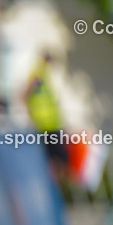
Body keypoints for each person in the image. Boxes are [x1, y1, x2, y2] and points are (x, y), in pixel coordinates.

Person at [24, 51, 68, 179]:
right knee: (56, 159)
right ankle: (52, 188)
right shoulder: (39, 73)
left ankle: (54, 187)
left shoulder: (44, 74)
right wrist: (31, 115)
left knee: (57, 159)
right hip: (45, 125)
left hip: (50, 124)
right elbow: (25, 94)